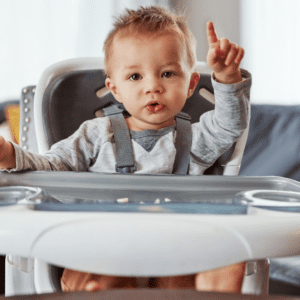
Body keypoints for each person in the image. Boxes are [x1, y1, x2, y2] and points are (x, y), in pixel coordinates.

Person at [0, 5, 251, 294]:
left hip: (179, 251)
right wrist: (10, 155)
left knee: (227, 259)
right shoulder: (96, 134)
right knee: (91, 273)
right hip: (107, 246)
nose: (153, 87)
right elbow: (54, 166)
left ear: (192, 82)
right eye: (135, 77)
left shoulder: (196, 139)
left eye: (168, 73)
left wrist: (227, 78)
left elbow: (230, 125)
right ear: (114, 88)